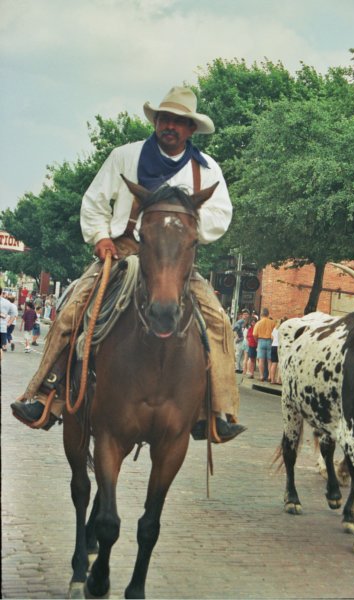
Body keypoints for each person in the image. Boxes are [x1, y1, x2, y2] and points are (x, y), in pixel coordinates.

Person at [11, 86, 246, 443]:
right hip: (123, 252)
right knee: (73, 308)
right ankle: (48, 394)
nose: (170, 126)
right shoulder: (126, 156)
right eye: (164, 119)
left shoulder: (207, 169)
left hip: (174, 259)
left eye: (179, 122)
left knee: (219, 322)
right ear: (157, 122)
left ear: (190, 130)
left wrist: (183, 228)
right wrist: (101, 237)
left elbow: (219, 214)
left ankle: (215, 409)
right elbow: (94, 201)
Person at [253, 307, 275, 382]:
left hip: (261, 340)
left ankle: (262, 376)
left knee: (261, 360)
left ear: (261, 314)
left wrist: (257, 341)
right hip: (269, 341)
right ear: (268, 314)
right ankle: (269, 376)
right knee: (269, 360)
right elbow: (274, 333)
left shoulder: (258, 323)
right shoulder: (272, 322)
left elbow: (254, 334)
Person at [270, 317, 286, 384]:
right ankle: (279, 380)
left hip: (273, 346)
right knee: (280, 364)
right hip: (279, 347)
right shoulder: (283, 329)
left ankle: (272, 380)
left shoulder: (274, 329)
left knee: (274, 364)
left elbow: (272, 337)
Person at [232, 309, 250, 373]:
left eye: (247, 314)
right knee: (238, 354)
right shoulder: (239, 322)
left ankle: (240, 368)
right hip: (240, 339)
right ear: (242, 315)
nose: (246, 316)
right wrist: (236, 337)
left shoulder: (248, 322)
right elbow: (234, 329)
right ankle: (237, 368)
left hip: (246, 340)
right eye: (244, 314)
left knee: (243, 355)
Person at [1, 288, 15, 353]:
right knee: (0, 348)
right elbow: (13, 314)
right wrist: (9, 323)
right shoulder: (7, 303)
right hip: (3, 327)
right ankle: (5, 346)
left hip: (4, 326)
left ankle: (5, 346)